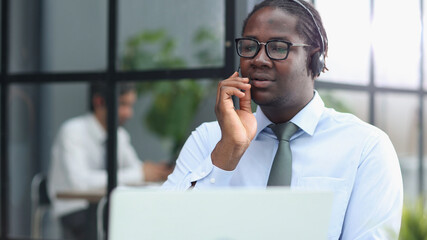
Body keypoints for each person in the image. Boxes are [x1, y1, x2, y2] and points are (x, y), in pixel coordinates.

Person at [162, 0, 403, 239]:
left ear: (314, 58)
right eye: (249, 47)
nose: (258, 59)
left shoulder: (366, 147)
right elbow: (163, 231)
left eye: (278, 48)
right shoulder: (209, 139)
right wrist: (228, 151)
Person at [48, 82, 172, 240]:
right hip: (76, 211)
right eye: (123, 104)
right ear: (99, 102)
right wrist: (140, 174)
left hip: (110, 207)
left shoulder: (120, 135)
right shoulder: (72, 132)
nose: (128, 113)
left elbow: (136, 170)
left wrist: (155, 172)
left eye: (130, 105)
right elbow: (80, 183)